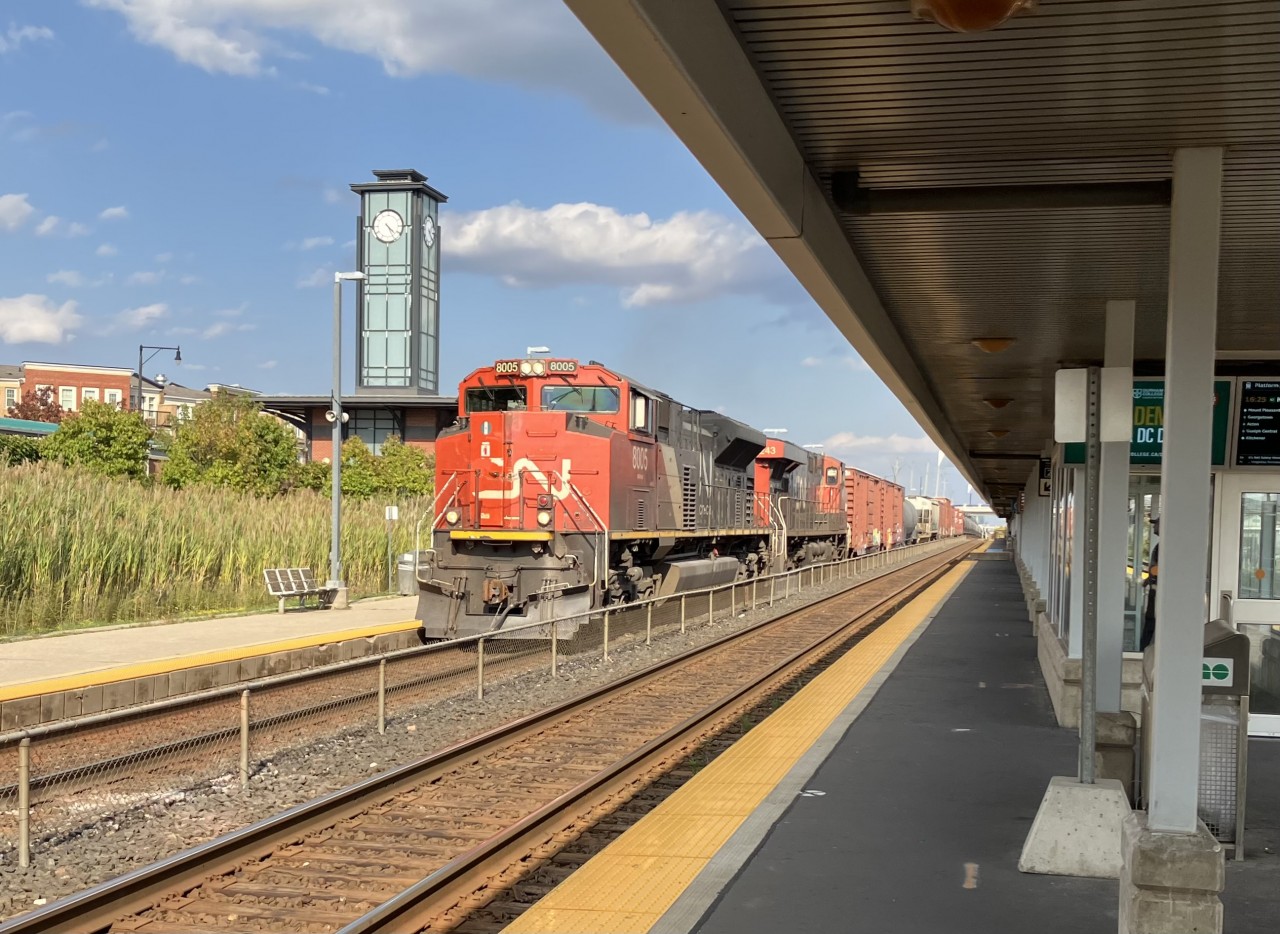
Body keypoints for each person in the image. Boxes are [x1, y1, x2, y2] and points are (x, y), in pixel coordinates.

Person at [1139, 514, 1160, 650]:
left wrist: (1151, 576)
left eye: (1156, 524)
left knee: (1151, 621)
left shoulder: (1163, 546)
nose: (1153, 527)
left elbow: (1158, 568)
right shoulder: (1160, 545)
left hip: (1157, 590)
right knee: (1150, 620)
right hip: (1154, 588)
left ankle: (1145, 648)